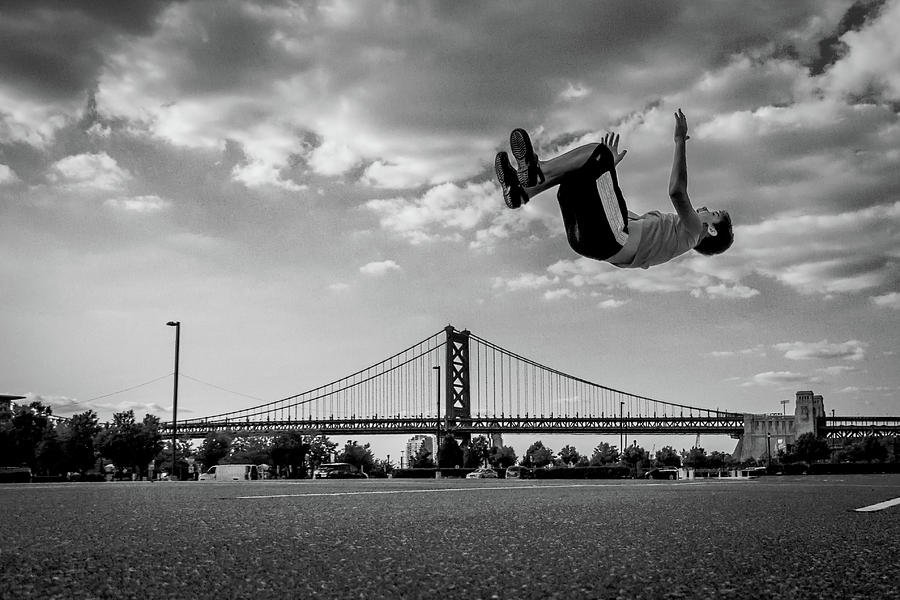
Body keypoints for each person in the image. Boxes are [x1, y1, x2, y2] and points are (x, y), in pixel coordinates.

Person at [494, 109, 733, 269]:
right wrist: (604, 172)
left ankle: (536, 173)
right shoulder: (667, 236)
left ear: (711, 230)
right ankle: (522, 192)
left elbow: (677, 192)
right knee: (579, 173)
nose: (703, 208)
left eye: (712, 213)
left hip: (609, 239)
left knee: (598, 153)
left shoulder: (692, 232)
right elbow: (615, 212)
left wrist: (679, 141)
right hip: (587, 241)